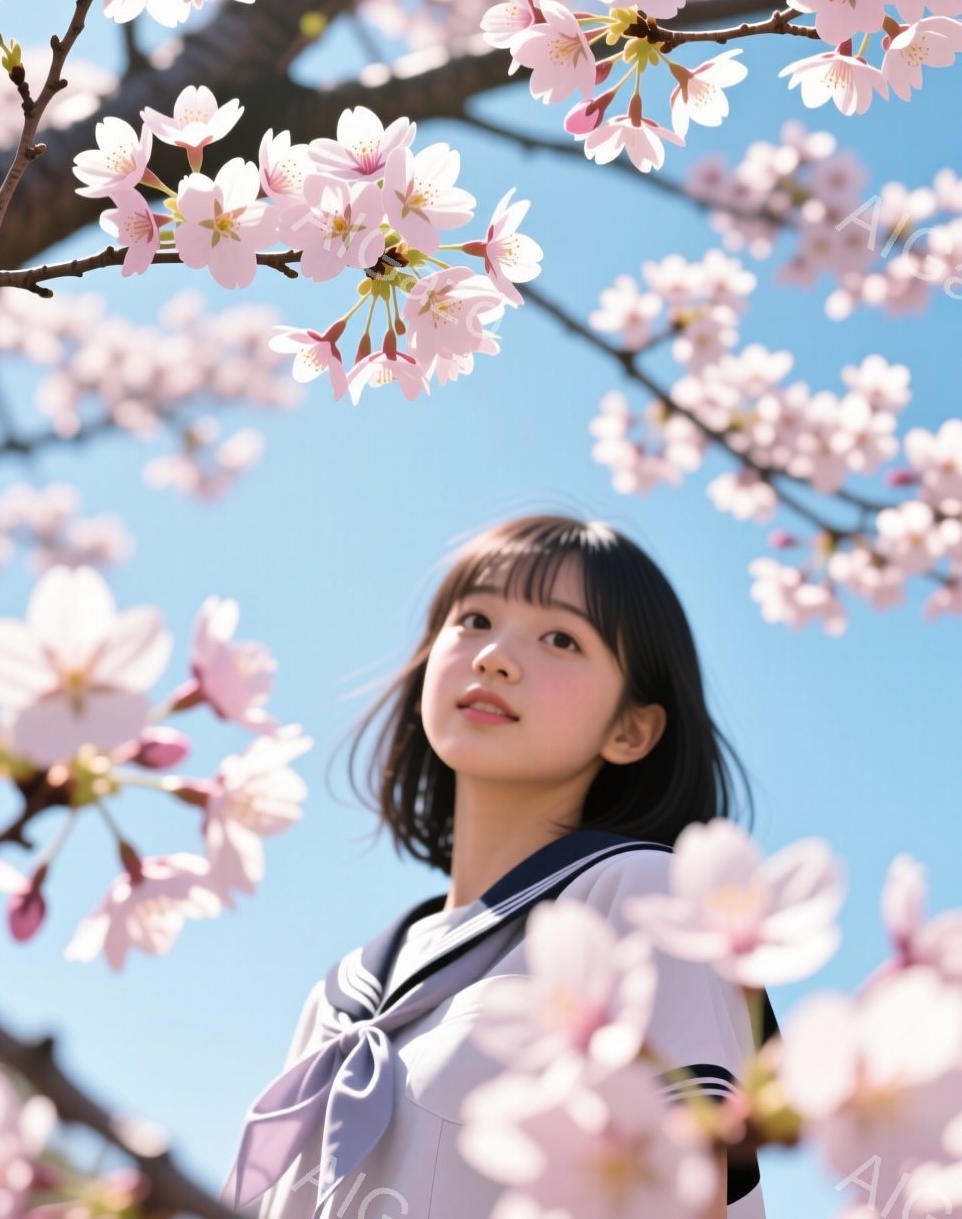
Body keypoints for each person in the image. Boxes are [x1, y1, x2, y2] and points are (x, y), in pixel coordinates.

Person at [220, 513, 773, 1219]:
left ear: (630, 729)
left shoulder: (642, 898)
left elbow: (681, 1194)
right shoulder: (336, 997)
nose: (495, 657)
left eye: (561, 638)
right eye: (474, 618)